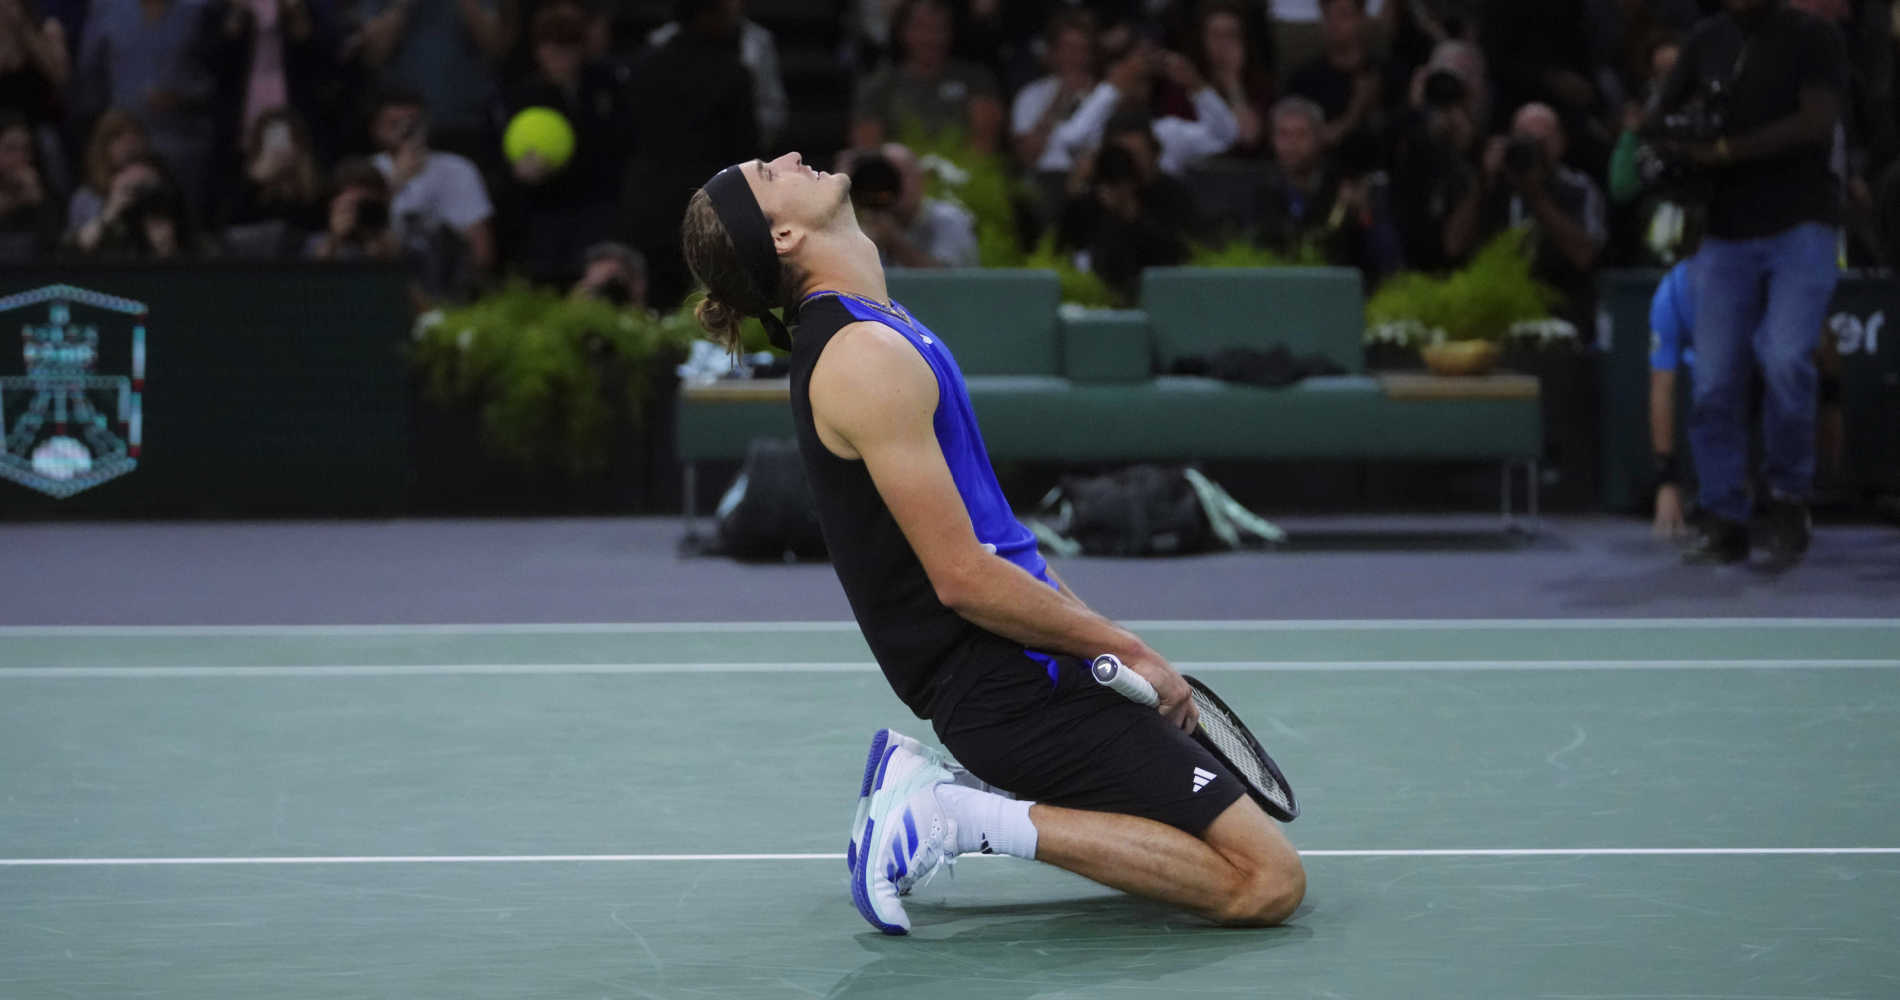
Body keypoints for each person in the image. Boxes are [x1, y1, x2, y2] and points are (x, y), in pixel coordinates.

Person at [678, 150, 1304, 936]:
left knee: (1183, 849)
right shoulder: (859, 359)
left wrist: (1094, 649)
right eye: (771, 172)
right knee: (1265, 882)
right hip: (1003, 690)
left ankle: (956, 800)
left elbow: (1000, 539)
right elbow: (963, 577)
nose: (792, 158)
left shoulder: (881, 329)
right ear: (783, 234)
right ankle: (954, 814)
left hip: (1024, 666)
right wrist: (1127, 646)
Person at [1644, 0, 1845, 566]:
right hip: (1725, 231)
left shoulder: (1813, 36)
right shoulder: (1706, 40)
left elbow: (1817, 122)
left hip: (1800, 224)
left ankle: (1786, 499)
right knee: (1712, 379)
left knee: (1784, 358)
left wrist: (1726, 148)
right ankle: (1725, 515)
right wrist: (1669, 137)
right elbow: (1659, 118)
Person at [1451, 103, 1607, 327]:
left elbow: (1584, 256)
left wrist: (1535, 195)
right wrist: (1482, 184)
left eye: (1542, 141)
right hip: (1493, 313)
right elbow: (1454, 246)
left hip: (1562, 317)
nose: (1534, 150)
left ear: (1561, 143)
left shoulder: (1579, 189)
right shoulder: (1490, 186)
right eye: (1524, 139)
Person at [368, 88, 496, 279]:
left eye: (413, 123)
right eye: (394, 124)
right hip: (388, 280)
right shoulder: (369, 170)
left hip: (447, 281)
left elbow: (482, 251)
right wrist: (396, 183)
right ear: (376, 129)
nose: (405, 131)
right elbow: (364, 242)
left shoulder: (459, 169)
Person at [851, 0, 1004, 154]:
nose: (930, 37)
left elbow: (984, 143)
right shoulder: (879, 85)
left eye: (938, 28)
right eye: (920, 27)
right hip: (901, 171)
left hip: (965, 172)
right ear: (902, 32)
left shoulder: (977, 79)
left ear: (951, 32)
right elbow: (868, 149)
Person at [649, 0, 786, 148]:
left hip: (731, 149)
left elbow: (770, 106)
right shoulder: (660, 43)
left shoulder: (757, 44)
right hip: (672, 148)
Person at [840, 143, 977, 268]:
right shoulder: (866, 223)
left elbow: (948, 281)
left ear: (921, 178)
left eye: (902, 175)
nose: (894, 185)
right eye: (886, 177)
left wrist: (895, 242)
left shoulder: (949, 220)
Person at [1647, 257, 1699, 539]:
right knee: (1709, 379)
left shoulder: (1772, 280)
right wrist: (1666, 481)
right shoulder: (1674, 291)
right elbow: (1662, 383)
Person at [0, 111, 61, 261]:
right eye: (11, 149)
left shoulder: (42, 191)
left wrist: (40, 202)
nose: (20, 157)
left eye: (26, 149)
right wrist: (17, 202)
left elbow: (56, 246)